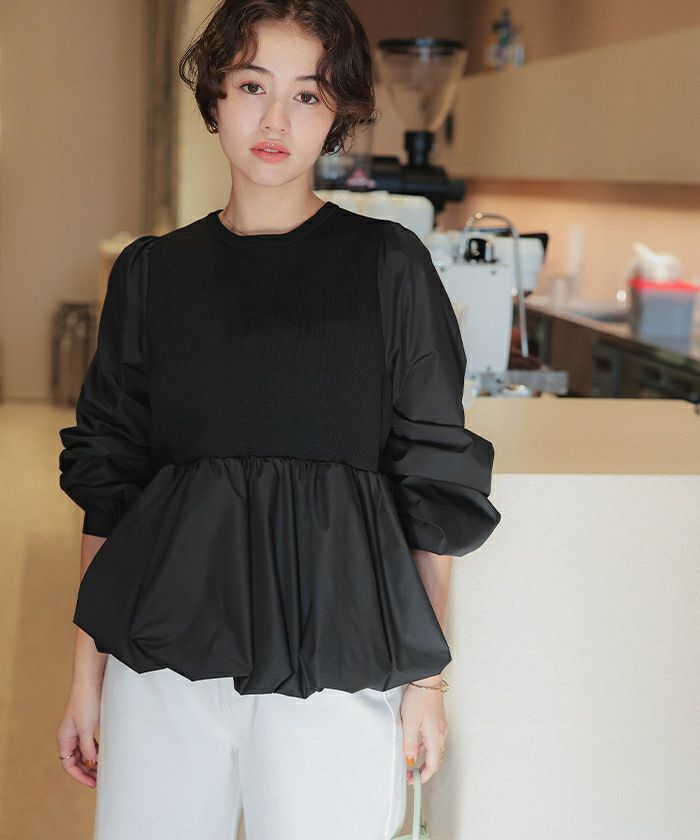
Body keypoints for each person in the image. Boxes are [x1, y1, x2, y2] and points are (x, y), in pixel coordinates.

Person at [55, 1, 501, 838]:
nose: (274, 121)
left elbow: (433, 483)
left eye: (306, 95)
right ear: (215, 98)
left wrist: (427, 681)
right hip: (161, 658)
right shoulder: (151, 274)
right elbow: (108, 483)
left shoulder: (389, 267)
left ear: (337, 115)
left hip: (336, 656)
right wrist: (88, 673)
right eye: (253, 86)